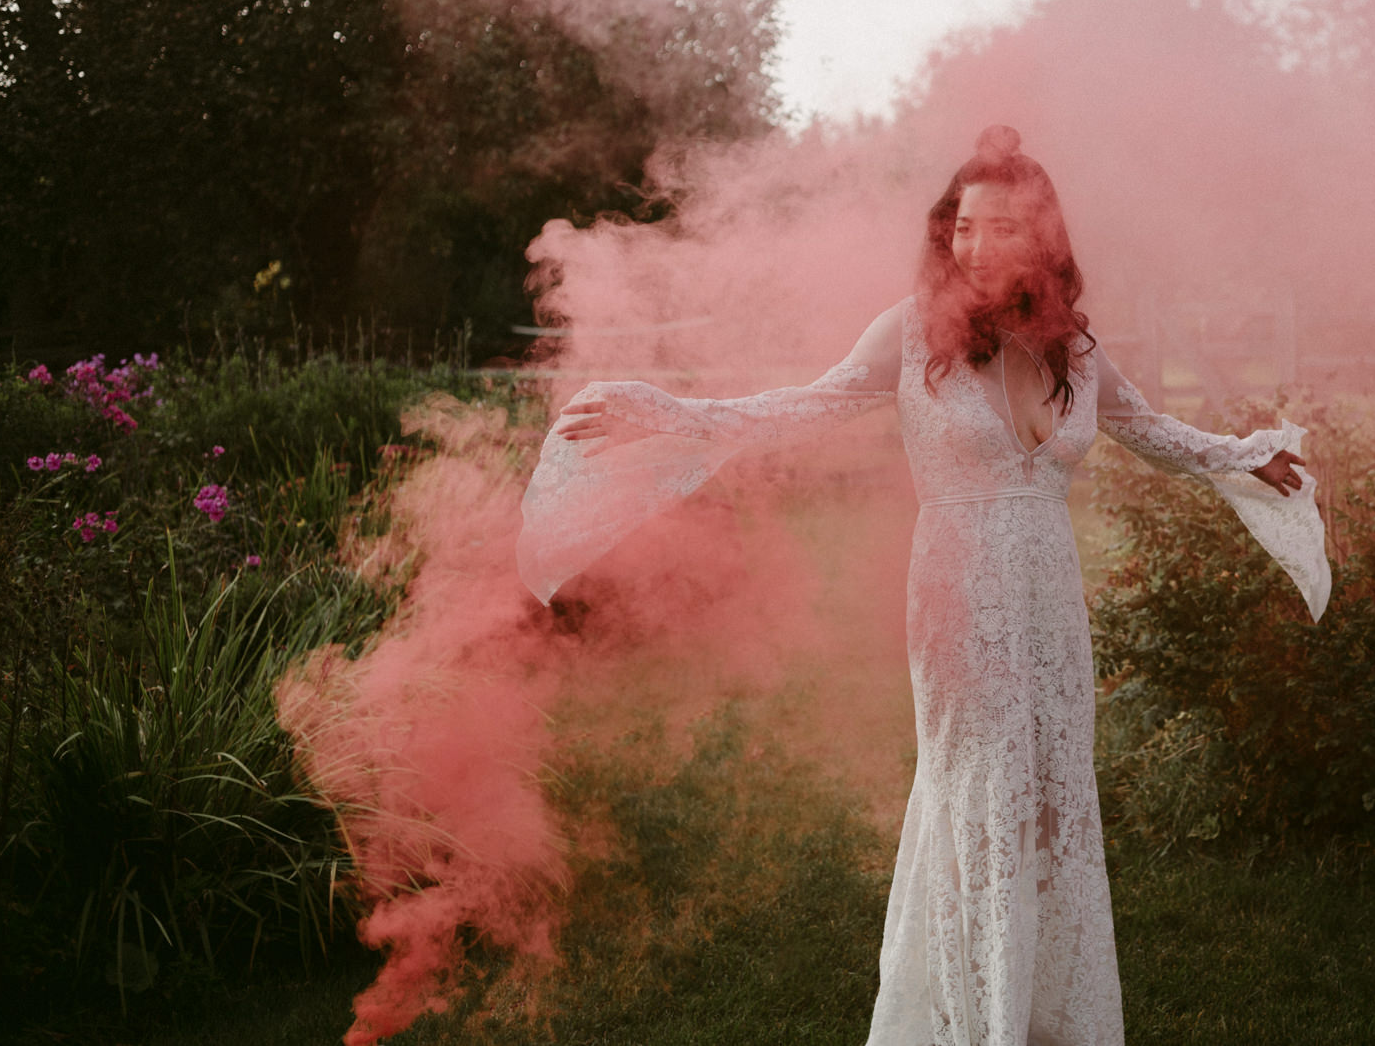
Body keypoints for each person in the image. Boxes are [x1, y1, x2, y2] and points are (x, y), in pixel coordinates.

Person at [516, 125, 1329, 1046]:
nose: (975, 246)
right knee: (979, 799)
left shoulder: (1078, 353)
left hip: (1053, 608)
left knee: (1055, 803)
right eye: (963, 226)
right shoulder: (911, 335)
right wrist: (665, 412)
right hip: (957, 602)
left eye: (1001, 228)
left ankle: (1042, 1017)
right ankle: (970, 1022)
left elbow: (1152, 429)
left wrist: (1243, 456)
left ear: (1045, 241)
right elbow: (797, 407)